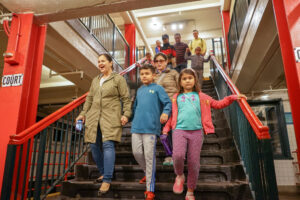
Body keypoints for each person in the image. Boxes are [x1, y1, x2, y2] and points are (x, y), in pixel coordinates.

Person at [163, 68, 246, 200]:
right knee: (177, 156)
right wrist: (166, 128)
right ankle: (179, 175)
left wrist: (232, 97)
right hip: (179, 130)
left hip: (196, 132)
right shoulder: (176, 97)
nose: (187, 80)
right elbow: (173, 116)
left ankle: (190, 191)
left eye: (190, 78)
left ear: (195, 80)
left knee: (194, 162)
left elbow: (218, 104)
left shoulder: (202, 97)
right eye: (184, 79)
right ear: (180, 82)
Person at [75, 53, 131, 194]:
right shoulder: (95, 80)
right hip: (94, 117)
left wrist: (126, 114)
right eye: (98, 61)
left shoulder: (118, 79)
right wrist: (83, 114)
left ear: (111, 63)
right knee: (94, 145)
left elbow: (126, 98)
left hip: (111, 116)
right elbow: (90, 99)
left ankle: (107, 179)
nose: (100, 63)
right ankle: (103, 172)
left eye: (103, 61)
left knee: (107, 144)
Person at [131, 64, 172, 200]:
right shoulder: (139, 90)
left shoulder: (158, 88)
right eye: (142, 74)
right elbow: (135, 107)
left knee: (149, 157)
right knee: (137, 153)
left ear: (154, 75)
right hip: (136, 127)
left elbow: (168, 103)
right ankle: (147, 172)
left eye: (147, 73)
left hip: (151, 128)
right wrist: (127, 117)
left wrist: (165, 113)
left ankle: (150, 189)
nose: (144, 76)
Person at [153, 52, 179, 166]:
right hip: (158, 107)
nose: (159, 63)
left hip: (172, 105)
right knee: (163, 132)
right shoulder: (153, 76)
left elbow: (181, 87)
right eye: (157, 61)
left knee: (173, 130)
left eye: (161, 61)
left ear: (166, 62)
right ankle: (168, 155)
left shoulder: (173, 73)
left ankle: (176, 155)